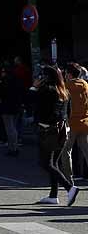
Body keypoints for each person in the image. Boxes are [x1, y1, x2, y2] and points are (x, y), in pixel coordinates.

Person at [33, 66, 78, 207]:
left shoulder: (46, 91)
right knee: (54, 163)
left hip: (48, 131)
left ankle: (69, 188)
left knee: (45, 163)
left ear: (45, 77)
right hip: (63, 130)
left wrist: (33, 89)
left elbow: (35, 107)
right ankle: (53, 195)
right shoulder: (64, 91)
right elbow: (68, 112)